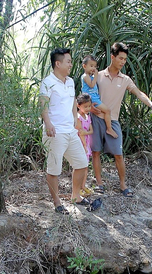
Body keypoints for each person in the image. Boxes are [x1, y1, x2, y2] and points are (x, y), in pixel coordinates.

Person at [90, 42, 152, 198]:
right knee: (96, 152)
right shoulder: (98, 76)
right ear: (112, 57)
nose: (123, 62)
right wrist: (89, 108)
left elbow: (139, 93)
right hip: (96, 119)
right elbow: (86, 94)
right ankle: (99, 184)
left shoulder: (125, 79)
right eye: (120, 58)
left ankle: (123, 185)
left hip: (113, 121)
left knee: (118, 154)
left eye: (125, 59)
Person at [40, 48, 90, 214]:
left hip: (70, 131)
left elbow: (73, 100)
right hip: (55, 132)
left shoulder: (69, 81)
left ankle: (75, 196)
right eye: (68, 61)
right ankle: (57, 203)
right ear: (57, 63)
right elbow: (43, 104)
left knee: (82, 163)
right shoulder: (48, 82)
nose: (70, 64)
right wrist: (48, 124)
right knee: (54, 170)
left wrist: (75, 120)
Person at [81, 55, 117, 138]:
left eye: (95, 66)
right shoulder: (85, 76)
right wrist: (96, 75)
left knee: (104, 111)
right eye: (91, 66)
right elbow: (91, 84)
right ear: (84, 66)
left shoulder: (89, 76)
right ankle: (109, 128)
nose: (93, 68)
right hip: (92, 98)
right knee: (107, 111)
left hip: (94, 97)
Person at [76, 92, 94, 197]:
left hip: (87, 143)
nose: (87, 108)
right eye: (85, 106)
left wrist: (86, 133)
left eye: (89, 106)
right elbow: (80, 132)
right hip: (81, 144)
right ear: (78, 105)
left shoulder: (88, 116)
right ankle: (78, 188)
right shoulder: (78, 117)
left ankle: (83, 186)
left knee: (86, 166)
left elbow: (90, 130)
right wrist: (84, 146)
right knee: (80, 167)